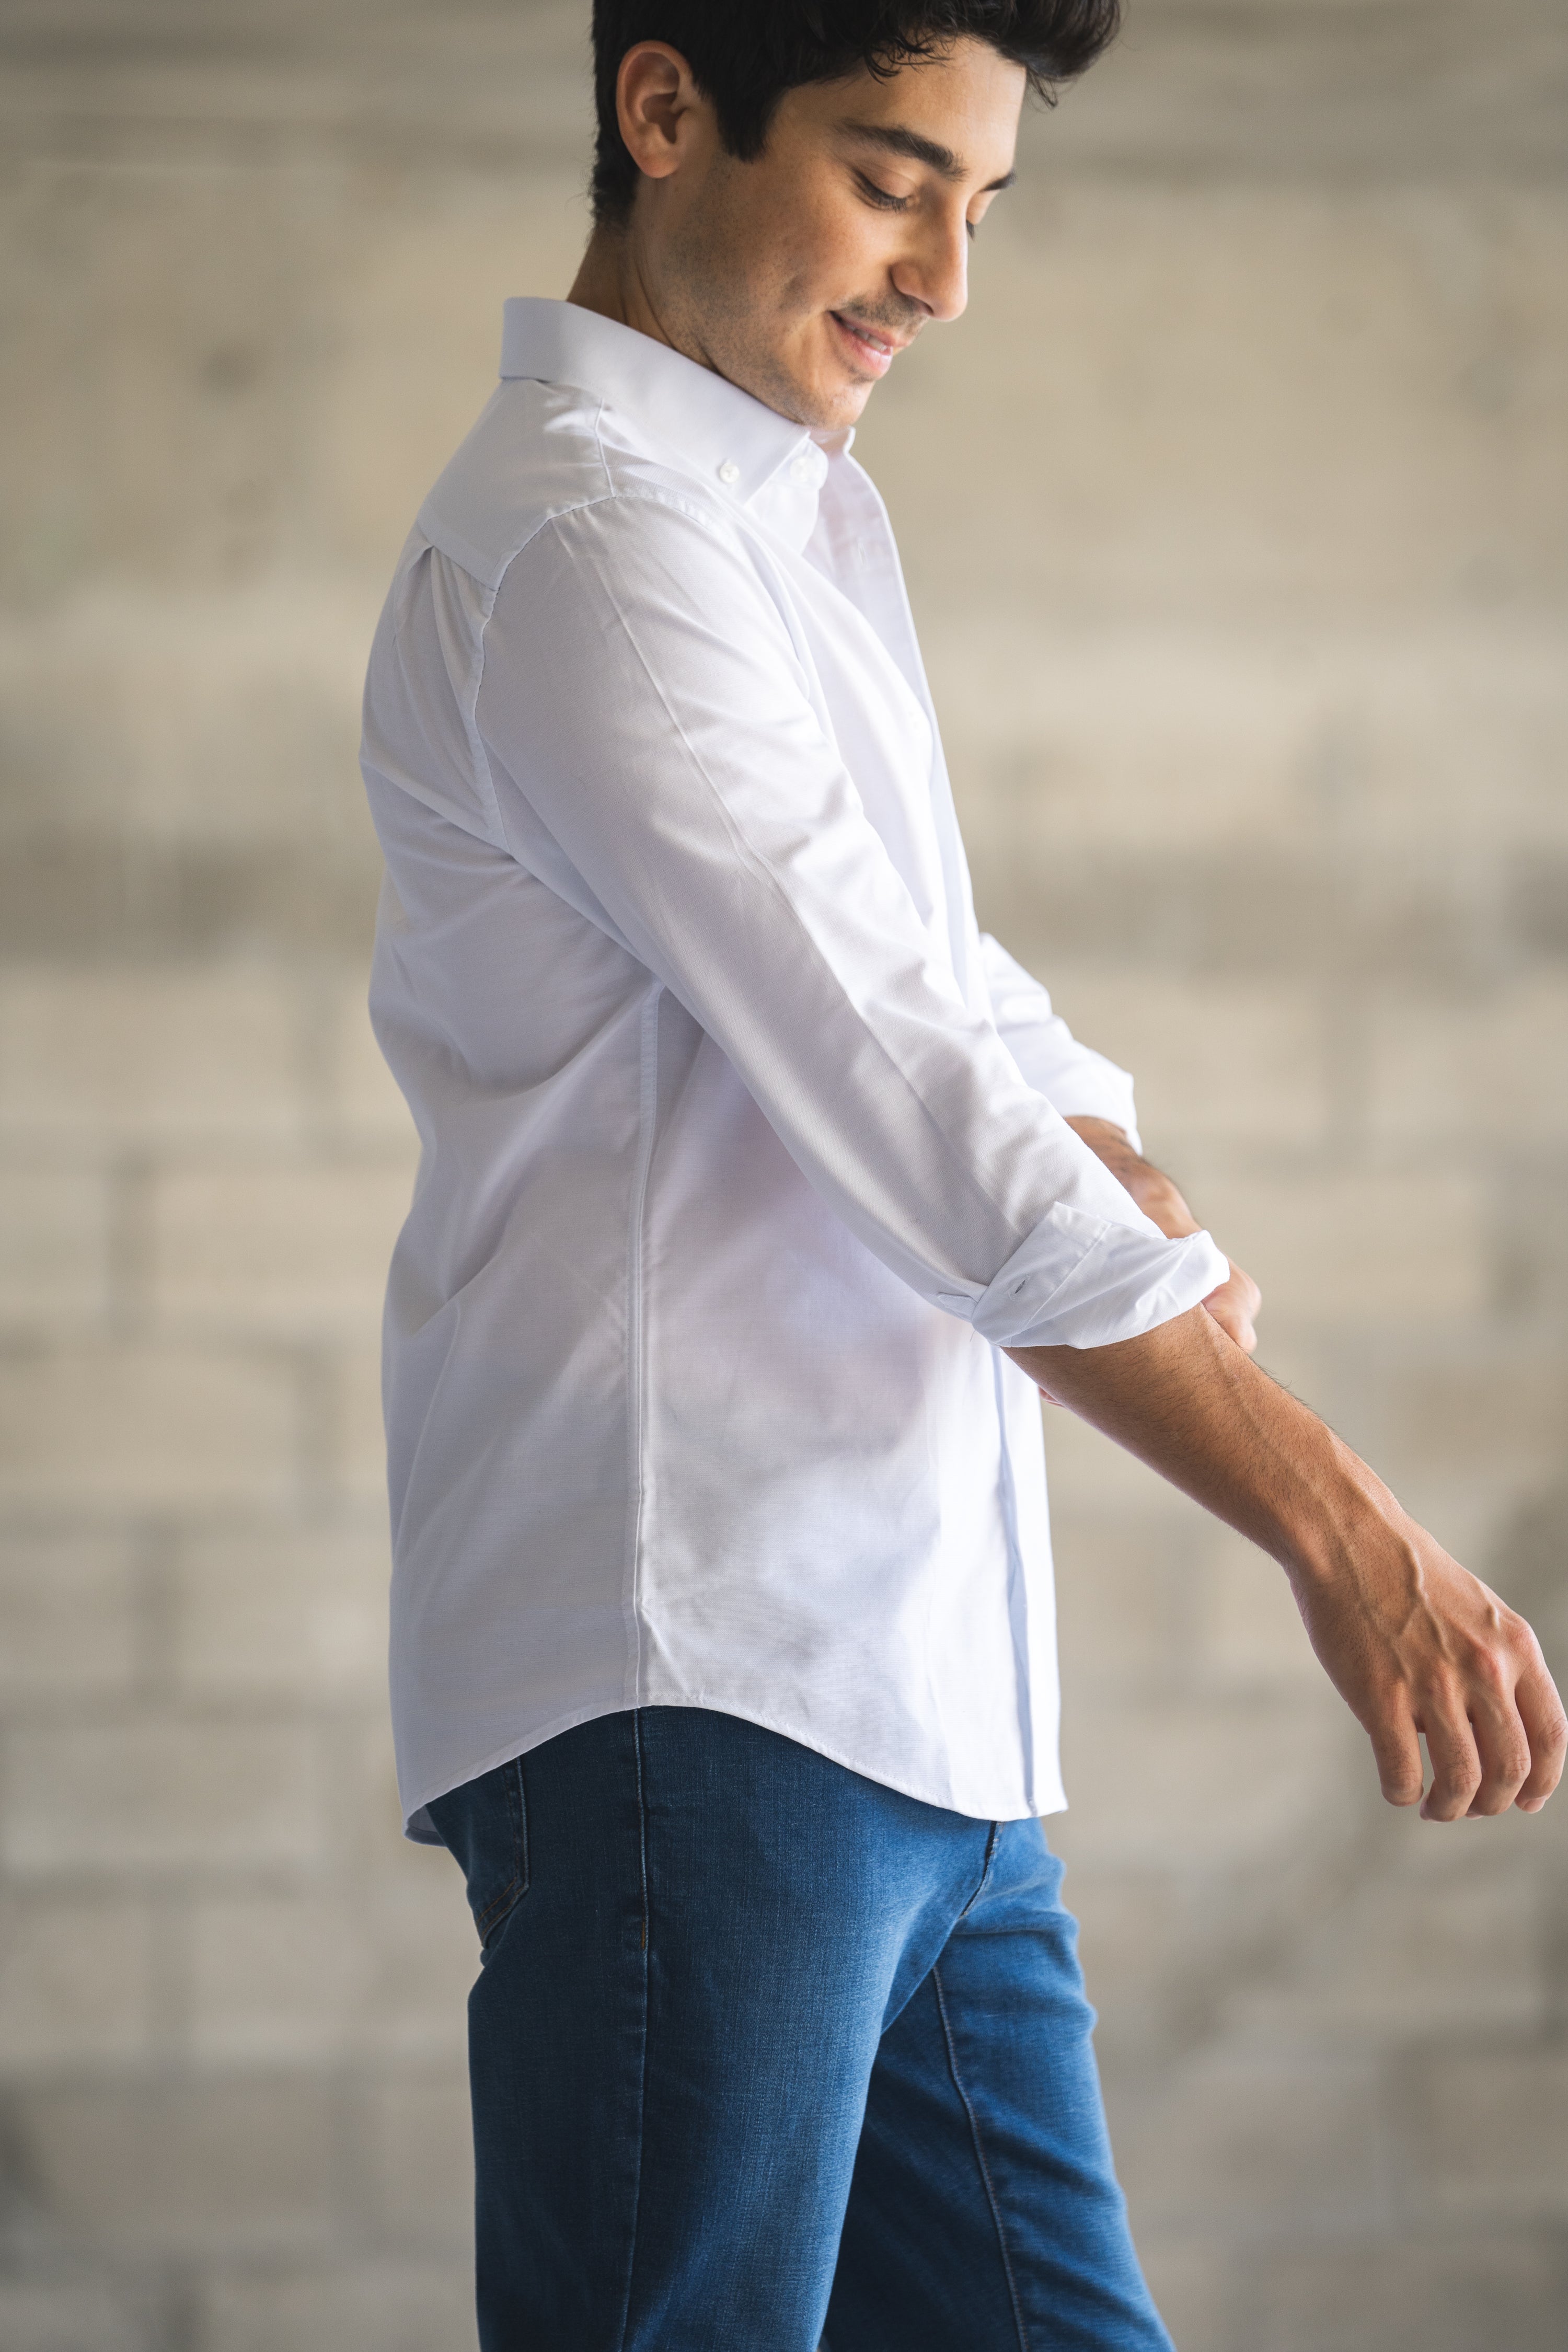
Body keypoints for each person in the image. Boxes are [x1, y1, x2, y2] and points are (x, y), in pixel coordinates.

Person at [358, 5, 1565, 2345]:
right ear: (663, 109)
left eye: (983, 206)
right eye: (894, 182)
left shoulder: (757, 530)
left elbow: (954, 1000)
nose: (946, 279)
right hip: (703, 1680)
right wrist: (1344, 1531)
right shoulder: (590, 546)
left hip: (913, 1712)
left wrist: (1099, 1154)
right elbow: (913, 1090)